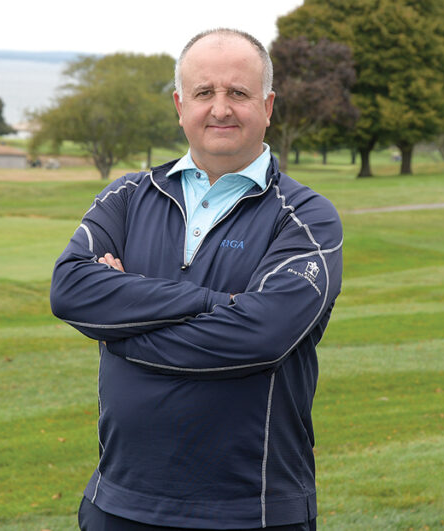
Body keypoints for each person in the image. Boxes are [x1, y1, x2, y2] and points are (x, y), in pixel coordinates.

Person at [50, 28, 343, 530]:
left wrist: (120, 332)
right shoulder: (126, 197)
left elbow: (261, 336)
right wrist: (219, 303)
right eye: (204, 93)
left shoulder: (305, 218)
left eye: (239, 93)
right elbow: (71, 290)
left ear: (268, 105)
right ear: (180, 104)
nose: (220, 108)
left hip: (253, 513)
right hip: (118, 505)